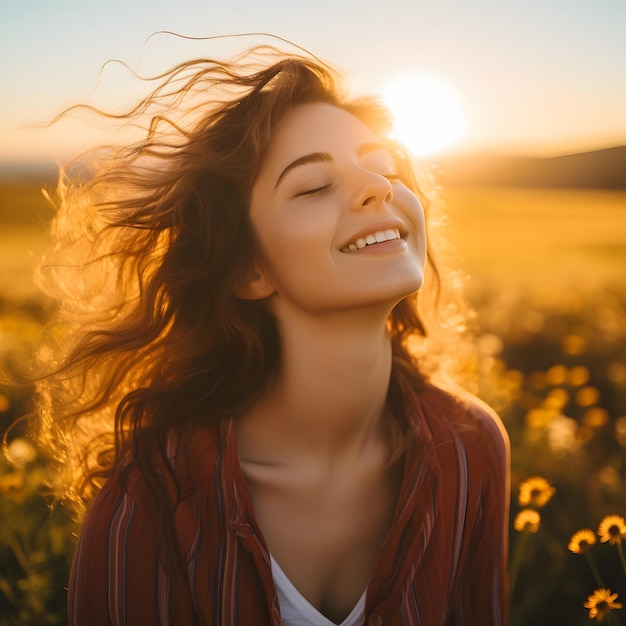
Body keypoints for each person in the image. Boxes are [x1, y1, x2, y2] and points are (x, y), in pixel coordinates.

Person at [29, 42, 509, 625]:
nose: (377, 188)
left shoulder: (471, 446)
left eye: (385, 169)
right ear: (248, 270)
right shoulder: (152, 501)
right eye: (313, 187)